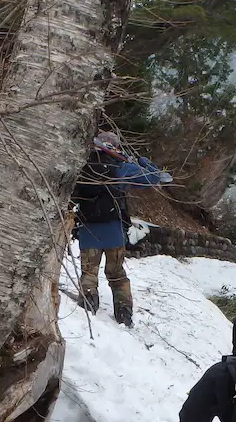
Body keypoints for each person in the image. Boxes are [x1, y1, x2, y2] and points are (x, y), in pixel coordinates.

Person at [71, 131, 170, 327]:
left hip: (87, 228)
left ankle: (88, 306)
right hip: (113, 230)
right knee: (117, 274)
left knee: (89, 272)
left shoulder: (82, 164)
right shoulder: (123, 167)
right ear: (115, 147)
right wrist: (143, 160)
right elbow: (154, 177)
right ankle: (124, 312)